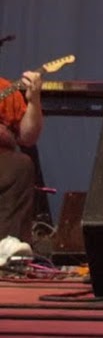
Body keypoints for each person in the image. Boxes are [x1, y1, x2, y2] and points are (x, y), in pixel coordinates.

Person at [0, 69, 43, 241]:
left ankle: (8, 244)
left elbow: (28, 137)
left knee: (21, 165)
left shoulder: (5, 88)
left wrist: (34, 101)